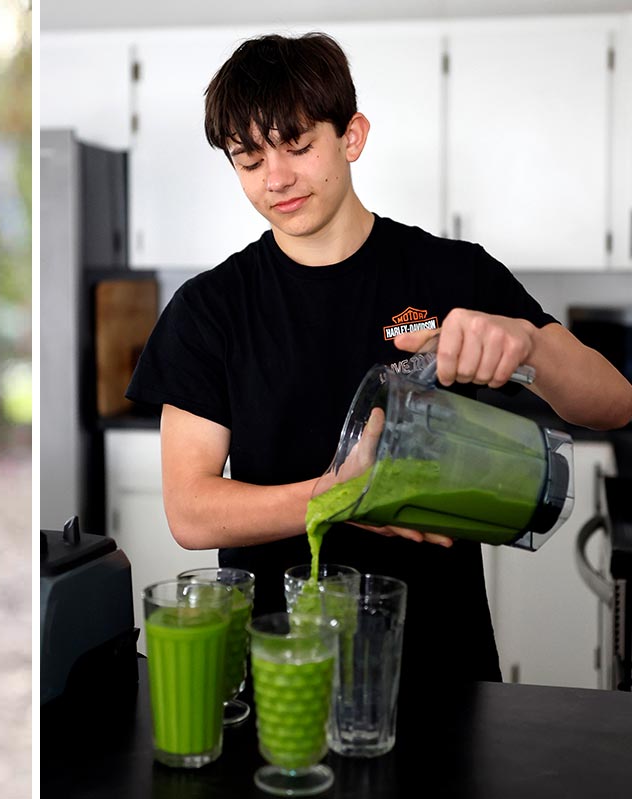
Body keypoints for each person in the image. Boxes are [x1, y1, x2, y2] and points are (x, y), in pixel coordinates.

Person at [126, 32, 632, 694]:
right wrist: (341, 491)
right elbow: (191, 510)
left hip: (444, 669)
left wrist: (528, 348)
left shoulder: (452, 272)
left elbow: (614, 401)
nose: (275, 178)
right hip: (281, 671)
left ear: (351, 136)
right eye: (249, 160)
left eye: (298, 146)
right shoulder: (209, 309)